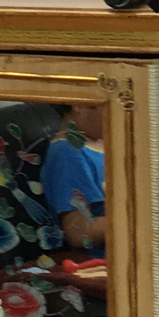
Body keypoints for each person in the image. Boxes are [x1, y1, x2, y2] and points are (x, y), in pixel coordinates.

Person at [39, 103, 107, 250]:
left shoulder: (105, 144)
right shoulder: (67, 153)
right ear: (80, 104)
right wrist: (143, 218)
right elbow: (79, 232)